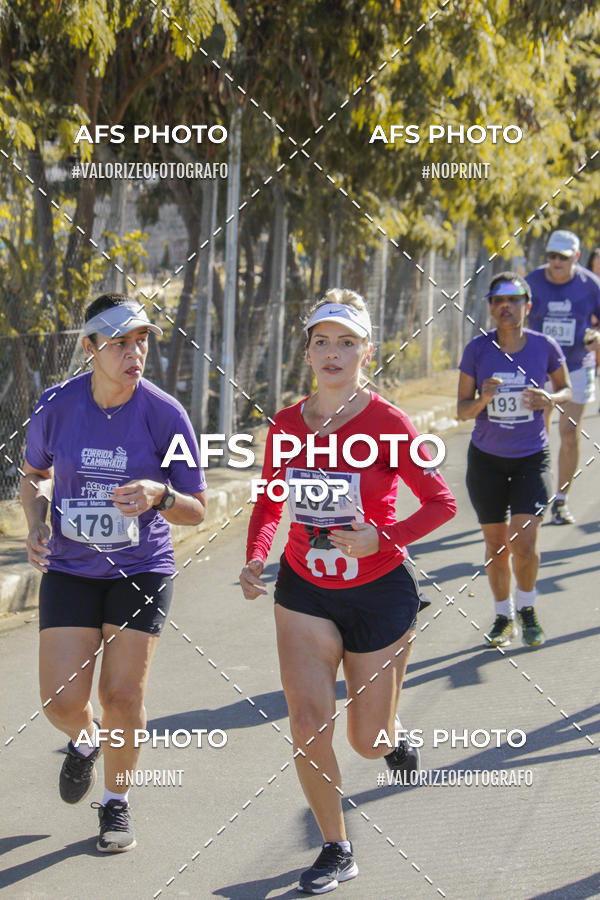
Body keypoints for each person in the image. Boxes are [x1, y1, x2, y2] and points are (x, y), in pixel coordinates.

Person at [240, 289, 456, 894]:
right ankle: (337, 847)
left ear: (368, 351)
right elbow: (268, 500)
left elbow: (441, 503)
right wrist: (257, 558)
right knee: (308, 723)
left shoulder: (389, 423)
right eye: (321, 341)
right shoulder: (286, 424)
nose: (332, 353)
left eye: (346, 342)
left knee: (367, 740)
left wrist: (382, 539)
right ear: (307, 351)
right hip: (304, 589)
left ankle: (391, 734)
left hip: (378, 591)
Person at [20, 294, 207, 852]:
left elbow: (196, 507)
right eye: (121, 342)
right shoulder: (56, 406)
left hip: (140, 568)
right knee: (60, 701)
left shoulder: (165, 413)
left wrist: (160, 493)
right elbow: (32, 475)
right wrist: (35, 521)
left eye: (142, 340)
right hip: (71, 567)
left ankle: (117, 803)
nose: (135, 352)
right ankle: (84, 742)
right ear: (90, 348)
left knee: (121, 697)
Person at [457, 273, 571, 648]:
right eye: (498, 300)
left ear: (527, 306)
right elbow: (461, 411)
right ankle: (503, 616)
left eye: (514, 299)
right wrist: (483, 400)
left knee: (524, 541)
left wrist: (549, 398)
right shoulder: (477, 349)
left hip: (530, 459)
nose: (506, 306)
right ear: (490, 307)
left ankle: (527, 607)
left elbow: (567, 388)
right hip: (486, 461)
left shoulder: (544, 346)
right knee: (496, 545)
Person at [526, 230, 600, 524]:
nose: (555, 263)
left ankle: (561, 500)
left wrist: (596, 336)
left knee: (569, 435)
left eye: (563, 258)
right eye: (551, 256)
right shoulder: (532, 282)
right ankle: (536, 490)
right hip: (537, 368)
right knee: (537, 433)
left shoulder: (590, 285)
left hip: (576, 367)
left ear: (576, 258)